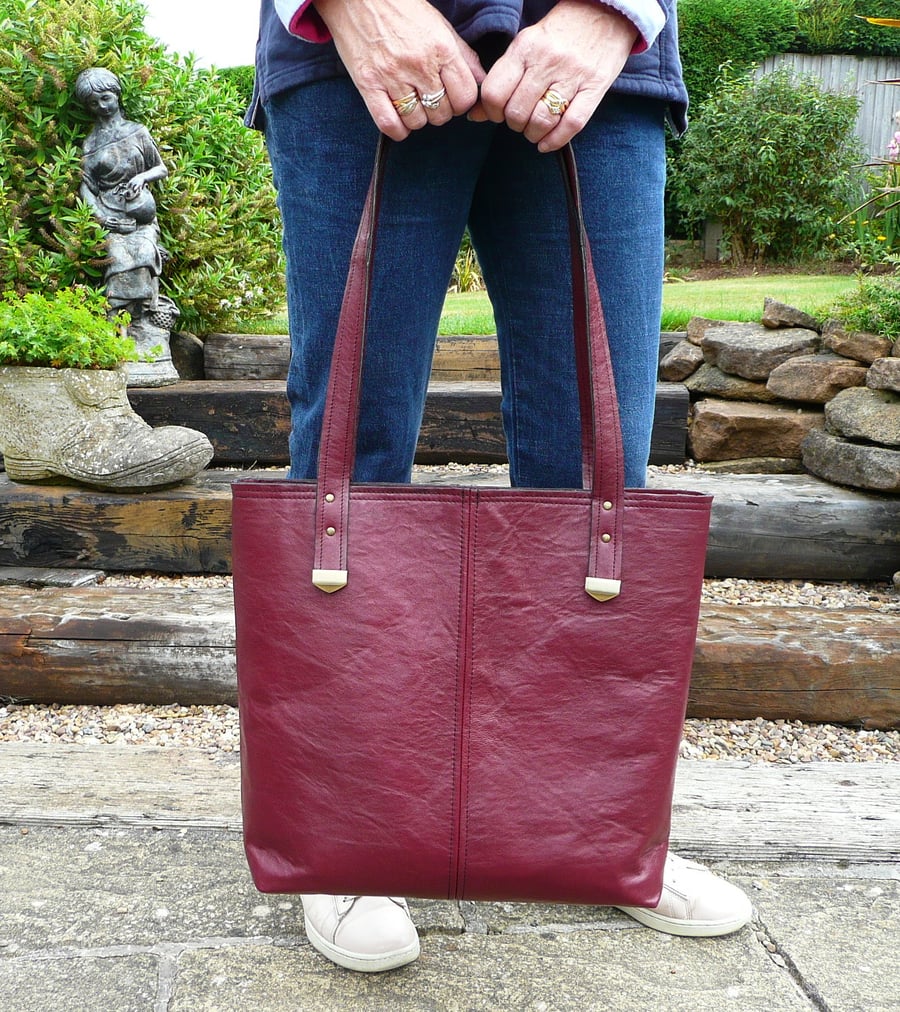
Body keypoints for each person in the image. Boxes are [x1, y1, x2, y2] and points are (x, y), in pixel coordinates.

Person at [248, 0, 753, 973]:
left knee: (601, 475)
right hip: (361, 46)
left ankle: (603, 830)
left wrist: (618, 12)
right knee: (355, 454)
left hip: (601, 65)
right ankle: (345, 834)